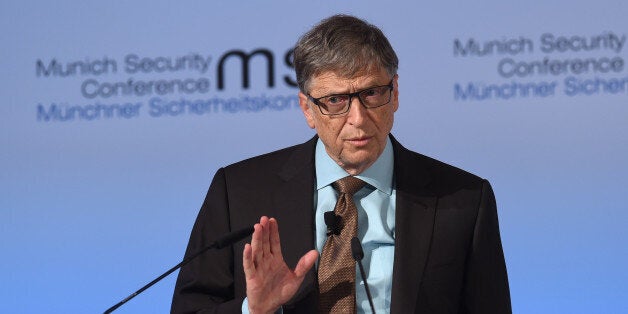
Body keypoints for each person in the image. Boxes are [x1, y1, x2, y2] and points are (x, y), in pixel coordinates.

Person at [171, 14, 511, 314]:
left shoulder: (463, 199)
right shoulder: (239, 192)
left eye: (372, 94)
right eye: (335, 100)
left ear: (395, 93)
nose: (358, 119)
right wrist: (254, 311)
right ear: (307, 109)